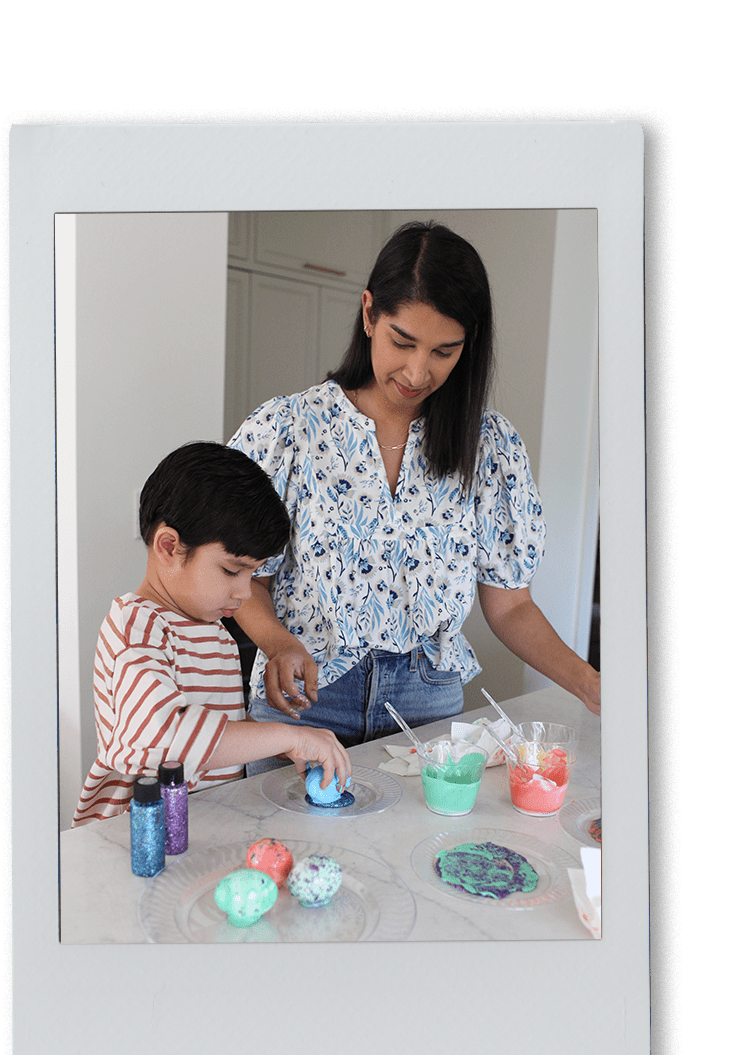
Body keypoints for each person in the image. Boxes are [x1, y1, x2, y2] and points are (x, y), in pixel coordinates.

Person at [228, 221, 601, 775]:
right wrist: (278, 642)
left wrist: (593, 685)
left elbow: (512, 604)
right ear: (368, 313)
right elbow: (242, 576)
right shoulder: (289, 430)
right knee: (295, 860)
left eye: (444, 351)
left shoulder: (489, 447)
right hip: (305, 699)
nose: (417, 371)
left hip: (428, 703)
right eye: (402, 341)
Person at [72, 442, 351, 825]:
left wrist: (278, 745)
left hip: (204, 830)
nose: (244, 590)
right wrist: (289, 737)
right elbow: (161, 739)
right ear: (169, 546)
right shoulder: (137, 628)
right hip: (140, 844)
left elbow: (211, 730)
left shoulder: (213, 630)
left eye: (253, 574)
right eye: (231, 570)